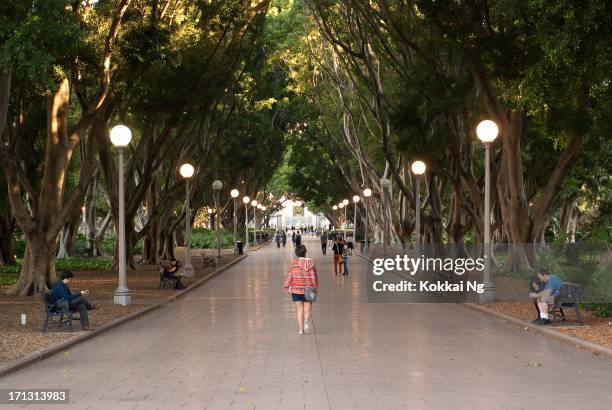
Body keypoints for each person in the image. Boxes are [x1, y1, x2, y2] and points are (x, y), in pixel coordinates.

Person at [284, 245, 318, 335]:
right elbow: (315, 277)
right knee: (308, 308)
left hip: (296, 290)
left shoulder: (294, 264)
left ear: (296, 254)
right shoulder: (312, 263)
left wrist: (286, 286)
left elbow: (290, 276)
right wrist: (315, 288)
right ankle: (306, 320)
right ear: (305, 252)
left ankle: (301, 330)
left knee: (299, 310)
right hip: (309, 289)